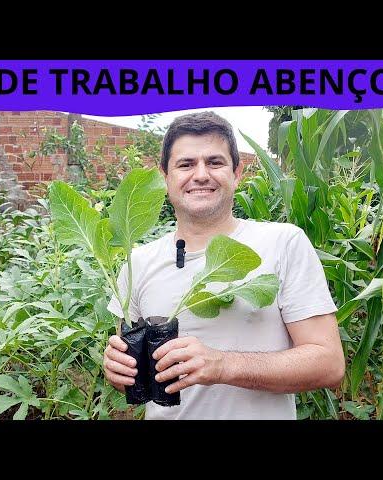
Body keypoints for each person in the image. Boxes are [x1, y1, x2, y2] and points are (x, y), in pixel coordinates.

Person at [104, 111, 344, 420]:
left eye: (215, 162)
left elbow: (329, 364)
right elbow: (131, 381)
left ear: (237, 172)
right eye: (186, 164)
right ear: (165, 176)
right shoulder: (136, 262)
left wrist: (222, 365)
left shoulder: (283, 244)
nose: (201, 174)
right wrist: (117, 372)